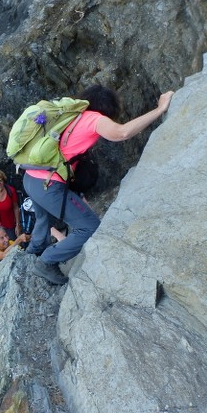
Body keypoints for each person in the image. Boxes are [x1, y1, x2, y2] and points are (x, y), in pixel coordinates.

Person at [24, 85, 174, 285]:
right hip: (48, 186)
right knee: (89, 227)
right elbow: (122, 133)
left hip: (30, 177)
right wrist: (160, 109)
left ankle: (34, 250)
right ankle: (46, 262)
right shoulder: (94, 119)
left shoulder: (72, 115)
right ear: (107, 108)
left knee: (45, 219)